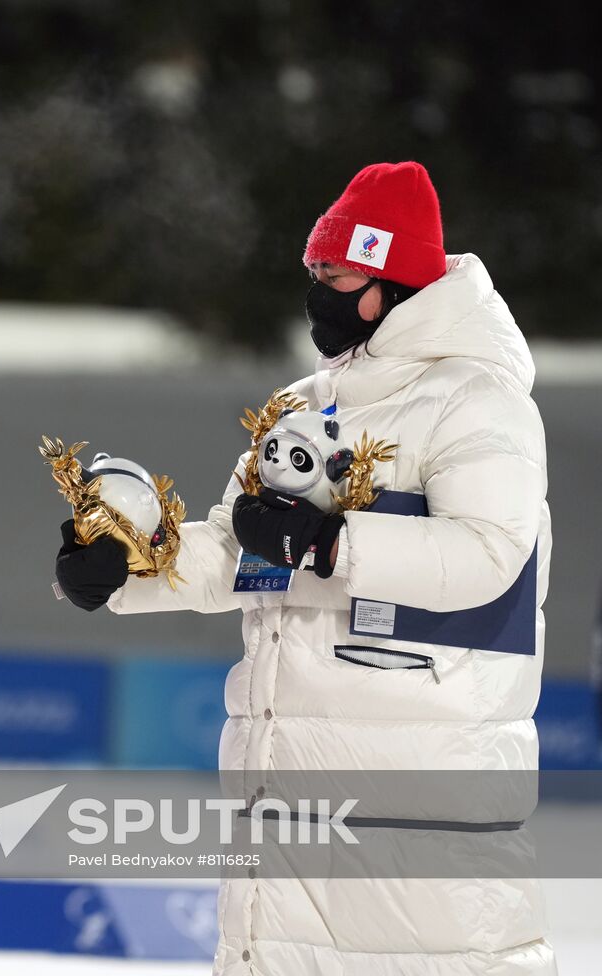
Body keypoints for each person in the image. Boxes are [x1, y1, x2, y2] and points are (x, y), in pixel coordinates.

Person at [54, 162, 553, 974]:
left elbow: (489, 555)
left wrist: (329, 544)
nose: (316, 288)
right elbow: (235, 546)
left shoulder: (476, 402)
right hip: (288, 787)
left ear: (390, 283)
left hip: (417, 804)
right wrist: (126, 568)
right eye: (311, 271)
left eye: (335, 274)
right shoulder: (300, 407)